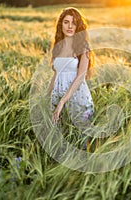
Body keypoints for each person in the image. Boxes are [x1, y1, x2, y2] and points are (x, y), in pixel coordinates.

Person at [46, 7, 94, 150]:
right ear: (61, 24)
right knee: (61, 144)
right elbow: (56, 74)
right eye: (66, 22)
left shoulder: (83, 47)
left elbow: (80, 78)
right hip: (58, 99)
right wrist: (45, 96)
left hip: (78, 100)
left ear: (78, 26)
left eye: (74, 23)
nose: (70, 26)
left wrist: (62, 102)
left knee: (80, 146)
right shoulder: (58, 47)